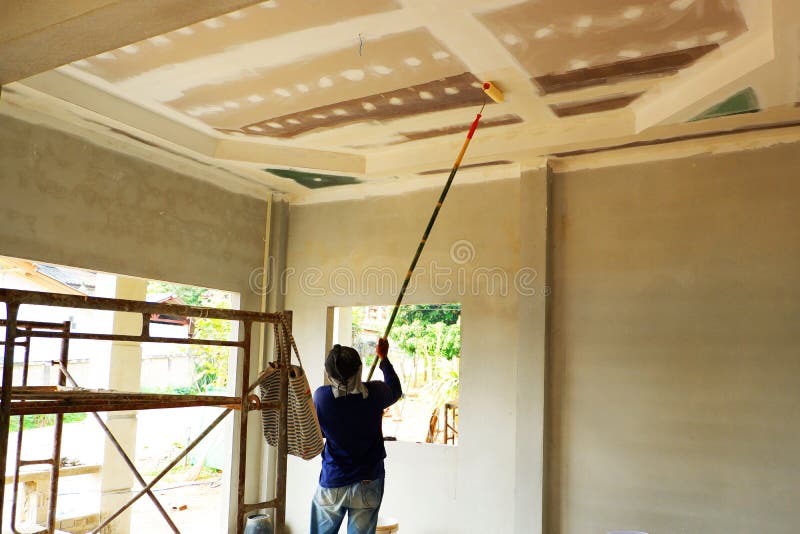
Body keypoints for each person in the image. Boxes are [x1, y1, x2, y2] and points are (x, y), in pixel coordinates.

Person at [310, 337, 403, 534]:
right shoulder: (376, 393)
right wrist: (383, 358)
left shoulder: (322, 397)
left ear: (329, 374)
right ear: (359, 369)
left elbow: (321, 432)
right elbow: (395, 389)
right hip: (368, 481)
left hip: (334, 479)